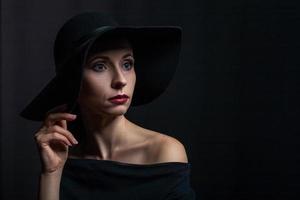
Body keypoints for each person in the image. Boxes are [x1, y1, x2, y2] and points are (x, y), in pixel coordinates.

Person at [20, 12, 196, 200]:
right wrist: (51, 174)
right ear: (73, 82)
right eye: (100, 66)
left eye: (127, 64)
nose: (120, 80)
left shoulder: (164, 152)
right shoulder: (60, 157)